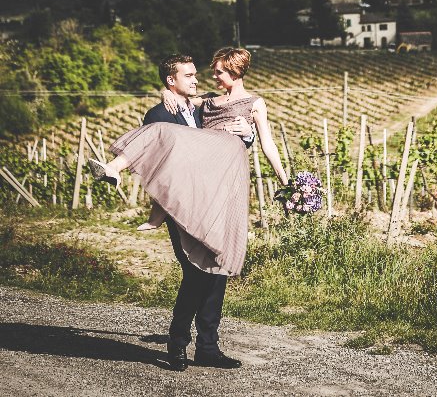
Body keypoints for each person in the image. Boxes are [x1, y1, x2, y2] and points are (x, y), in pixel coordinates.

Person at [88, 47, 288, 372]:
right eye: (191, 75)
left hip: (218, 195)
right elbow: (167, 157)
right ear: (172, 80)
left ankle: (208, 347)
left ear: (234, 72)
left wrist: (250, 137)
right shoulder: (162, 113)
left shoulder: (205, 107)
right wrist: (164, 93)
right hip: (185, 204)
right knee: (196, 274)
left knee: (217, 272)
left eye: (214, 72)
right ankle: (178, 343)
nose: (205, 78)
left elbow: (250, 140)